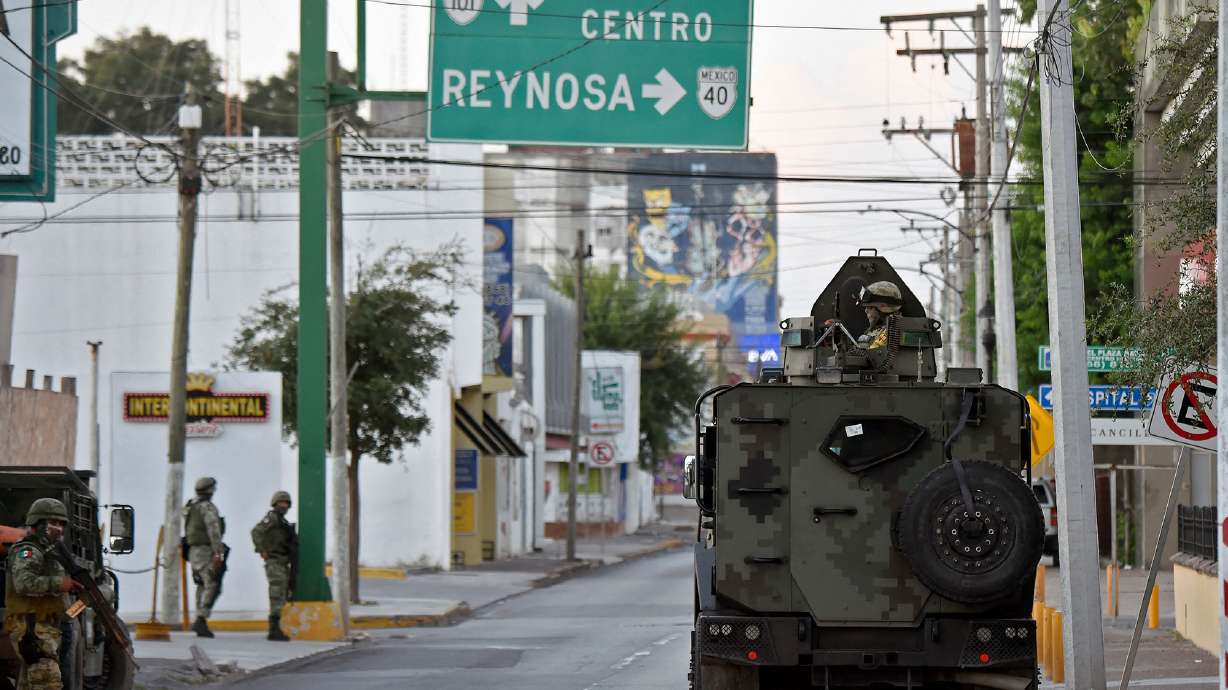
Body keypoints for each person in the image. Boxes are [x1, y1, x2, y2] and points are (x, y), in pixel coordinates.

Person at [4, 498, 82, 690]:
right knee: (48, 682)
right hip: (32, 627)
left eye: (61, 524)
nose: (59, 529)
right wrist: (60, 583)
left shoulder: (50, 552)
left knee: (30, 684)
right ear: (38, 524)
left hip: (45, 626)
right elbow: (24, 583)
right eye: (53, 523)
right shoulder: (28, 550)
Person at [251, 491, 297, 642]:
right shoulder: (271, 518)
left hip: (282, 561)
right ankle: (273, 628)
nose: (283, 506)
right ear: (275, 504)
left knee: (282, 592)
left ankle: (276, 627)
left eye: (286, 503)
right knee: (276, 592)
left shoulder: (282, 522)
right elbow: (256, 532)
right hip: (274, 561)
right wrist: (262, 549)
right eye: (281, 503)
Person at [183, 477, 226, 638]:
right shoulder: (206, 507)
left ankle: (200, 619)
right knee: (213, 583)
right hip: (206, 550)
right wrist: (218, 552)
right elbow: (213, 529)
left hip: (193, 551)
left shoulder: (190, 506)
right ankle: (201, 618)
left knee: (202, 584)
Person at [855, 280, 903, 350]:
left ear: (883, 307)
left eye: (870, 307)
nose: (866, 311)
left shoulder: (894, 331)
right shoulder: (876, 329)